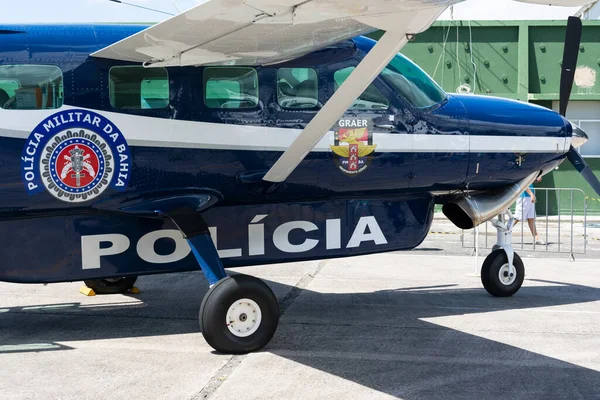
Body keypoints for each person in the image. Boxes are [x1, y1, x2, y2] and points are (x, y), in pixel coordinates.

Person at [514, 177, 545, 245]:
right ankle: (503, 231)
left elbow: (528, 181)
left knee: (531, 218)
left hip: (529, 197)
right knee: (518, 217)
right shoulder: (524, 171)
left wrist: (535, 180)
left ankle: (536, 238)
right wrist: (531, 194)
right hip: (523, 197)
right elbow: (523, 184)